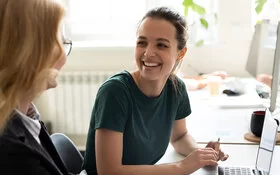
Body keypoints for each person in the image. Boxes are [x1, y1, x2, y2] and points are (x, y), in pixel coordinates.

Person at [83, 7, 229, 175]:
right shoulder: (115, 92)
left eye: (161, 45)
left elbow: (179, 137)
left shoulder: (176, 88)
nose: (148, 53)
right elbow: (109, 172)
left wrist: (201, 154)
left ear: (180, 53)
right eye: (142, 42)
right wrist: (182, 167)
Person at [0, 0, 81, 174]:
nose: (63, 57)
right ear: (27, 51)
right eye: (58, 42)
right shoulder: (12, 153)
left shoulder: (24, 113)